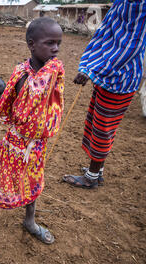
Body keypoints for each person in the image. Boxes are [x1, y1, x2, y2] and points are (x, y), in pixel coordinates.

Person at [0, 17, 64, 245]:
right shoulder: (21, 74)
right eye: (50, 43)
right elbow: (13, 106)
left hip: (38, 143)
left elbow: (53, 102)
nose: (56, 49)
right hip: (16, 141)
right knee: (5, 179)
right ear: (32, 44)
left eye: (58, 43)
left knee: (33, 180)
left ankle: (30, 221)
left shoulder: (53, 73)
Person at [63, 0, 146, 189]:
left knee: (102, 128)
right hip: (109, 75)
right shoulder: (124, 3)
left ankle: (91, 177)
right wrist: (90, 65)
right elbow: (106, 33)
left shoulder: (141, 7)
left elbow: (130, 47)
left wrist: (94, 69)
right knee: (97, 122)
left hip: (119, 78)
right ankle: (96, 171)